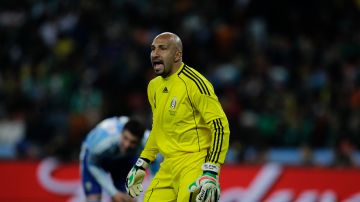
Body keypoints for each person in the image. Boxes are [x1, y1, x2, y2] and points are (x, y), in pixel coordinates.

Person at [126, 32, 230, 202]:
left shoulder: (196, 84)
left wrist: (212, 169)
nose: (155, 54)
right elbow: (158, 128)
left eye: (162, 48)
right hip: (168, 166)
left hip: (194, 162)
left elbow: (220, 126)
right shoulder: (154, 86)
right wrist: (142, 162)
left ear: (177, 55)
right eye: (153, 49)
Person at [80, 116, 146, 202]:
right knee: (93, 199)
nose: (126, 145)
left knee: (128, 198)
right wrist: (113, 192)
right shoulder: (102, 144)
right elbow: (92, 165)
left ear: (140, 142)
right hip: (93, 158)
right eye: (125, 138)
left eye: (133, 142)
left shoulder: (147, 143)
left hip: (122, 159)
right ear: (121, 133)